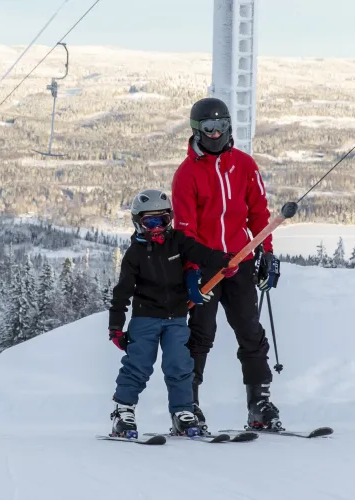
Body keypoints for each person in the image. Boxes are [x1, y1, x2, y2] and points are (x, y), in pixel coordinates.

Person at [171, 97, 282, 432]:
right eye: (208, 127)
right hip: (206, 266)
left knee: (250, 330)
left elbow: (259, 214)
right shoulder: (186, 174)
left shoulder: (245, 166)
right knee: (201, 333)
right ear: (196, 131)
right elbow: (185, 231)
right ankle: (187, 405)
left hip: (241, 260)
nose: (216, 133)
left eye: (221, 126)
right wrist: (191, 270)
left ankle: (259, 403)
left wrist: (267, 253)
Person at [107, 188, 234, 439]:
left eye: (162, 221)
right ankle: (123, 412)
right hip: (144, 319)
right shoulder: (135, 254)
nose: (157, 228)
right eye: (150, 222)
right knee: (138, 366)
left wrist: (224, 261)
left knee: (179, 365)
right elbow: (122, 293)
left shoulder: (179, 241)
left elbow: (202, 253)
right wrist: (116, 327)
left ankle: (182, 413)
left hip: (176, 318)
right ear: (138, 222)